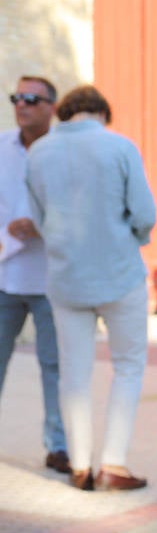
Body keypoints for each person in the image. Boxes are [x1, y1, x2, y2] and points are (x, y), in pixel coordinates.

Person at [25, 84, 157, 491]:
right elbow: (144, 213)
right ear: (102, 113)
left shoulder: (38, 152)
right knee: (129, 367)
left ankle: (80, 465)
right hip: (119, 274)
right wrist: (131, 237)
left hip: (66, 278)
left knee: (73, 375)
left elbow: (38, 216)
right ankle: (113, 464)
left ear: (64, 112)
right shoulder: (119, 147)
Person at [1, 76, 66, 473]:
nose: (21, 105)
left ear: (51, 108)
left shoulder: (63, 152)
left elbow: (79, 210)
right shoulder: (1, 147)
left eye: (31, 98)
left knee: (54, 365)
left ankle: (58, 446)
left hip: (49, 279)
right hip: (4, 275)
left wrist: (41, 226)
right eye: (16, 98)